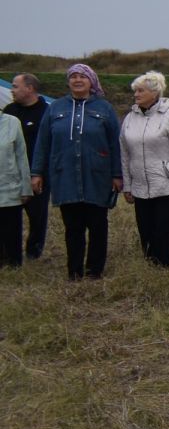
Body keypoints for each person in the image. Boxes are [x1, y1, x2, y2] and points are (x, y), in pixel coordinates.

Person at [30, 64, 122, 281]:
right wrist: (37, 172)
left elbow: (115, 145)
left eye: (82, 76)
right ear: (68, 81)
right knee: (72, 227)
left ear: (91, 81)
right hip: (66, 177)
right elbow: (43, 143)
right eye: (73, 77)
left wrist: (118, 175)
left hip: (97, 177)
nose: (77, 80)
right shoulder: (55, 109)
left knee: (98, 226)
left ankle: (94, 270)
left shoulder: (104, 108)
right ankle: (74, 271)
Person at [118, 71, 169, 268]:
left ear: (154, 93)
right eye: (135, 91)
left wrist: (168, 171)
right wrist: (128, 185)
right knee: (146, 231)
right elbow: (124, 154)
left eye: (140, 91)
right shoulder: (129, 118)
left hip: (165, 186)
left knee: (163, 231)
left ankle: (166, 268)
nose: (136, 94)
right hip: (140, 186)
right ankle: (151, 268)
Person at [5, 73, 49, 261]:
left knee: (37, 217)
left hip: (37, 173)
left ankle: (34, 251)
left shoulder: (46, 112)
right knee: (9, 217)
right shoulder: (9, 111)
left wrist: (39, 172)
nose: (11, 90)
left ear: (29, 88)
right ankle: (8, 254)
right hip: (11, 175)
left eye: (15, 86)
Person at [0, 83, 29, 268]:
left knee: (11, 228)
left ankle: (14, 263)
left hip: (9, 187)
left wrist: (25, 187)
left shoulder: (12, 122)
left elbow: (21, 156)